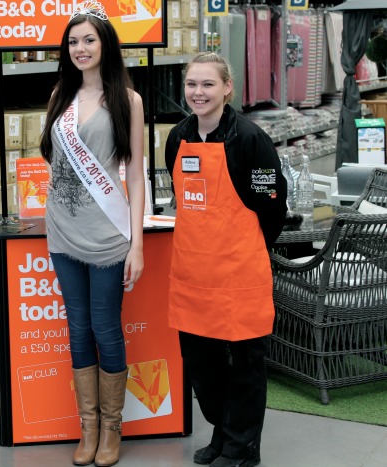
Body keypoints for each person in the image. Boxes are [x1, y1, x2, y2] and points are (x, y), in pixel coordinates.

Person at [164, 52, 287, 467]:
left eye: (208, 84)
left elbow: (272, 206)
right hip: (193, 275)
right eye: (192, 85)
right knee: (204, 367)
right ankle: (222, 431)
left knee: (246, 366)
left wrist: (247, 246)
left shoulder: (250, 139)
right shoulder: (177, 137)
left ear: (227, 88)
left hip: (239, 275)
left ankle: (242, 447)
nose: (198, 93)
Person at [39, 2, 145, 466]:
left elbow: (136, 175)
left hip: (107, 236)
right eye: (73, 41)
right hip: (63, 232)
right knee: (77, 328)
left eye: (89, 40)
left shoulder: (127, 100)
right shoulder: (60, 94)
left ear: (105, 45)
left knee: (106, 327)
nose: (80, 48)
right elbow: (53, 161)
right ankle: (88, 426)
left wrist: (136, 243)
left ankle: (111, 428)